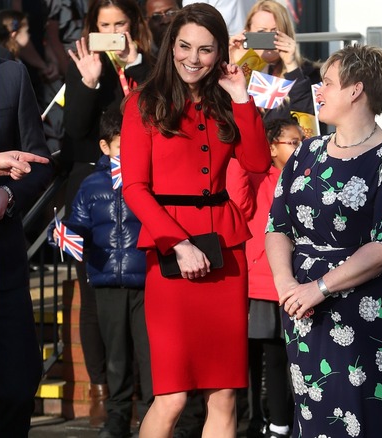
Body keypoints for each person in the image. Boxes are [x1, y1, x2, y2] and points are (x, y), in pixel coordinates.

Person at [120, 4, 271, 437]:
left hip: (227, 255)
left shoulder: (230, 101)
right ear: (171, 47)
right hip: (170, 257)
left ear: (220, 52)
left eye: (205, 49)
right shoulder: (142, 104)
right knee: (171, 397)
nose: (193, 57)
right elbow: (134, 188)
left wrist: (242, 98)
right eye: (184, 46)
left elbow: (257, 161)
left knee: (224, 394)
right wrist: (177, 244)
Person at [265, 44, 382, 438]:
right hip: (301, 310)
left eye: (328, 83)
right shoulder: (305, 153)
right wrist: (287, 285)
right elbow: (277, 226)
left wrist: (320, 288)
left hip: (362, 313)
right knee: (313, 416)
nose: (319, 91)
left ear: (356, 90)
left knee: (361, 415)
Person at [62, 0, 154, 425]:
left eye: (120, 23)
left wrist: (134, 64)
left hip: (145, 188)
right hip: (94, 189)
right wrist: (88, 82)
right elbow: (76, 132)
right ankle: (102, 391)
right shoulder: (84, 62)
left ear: (133, 26)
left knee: (143, 300)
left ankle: (149, 398)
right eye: (105, 25)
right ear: (91, 27)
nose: (113, 31)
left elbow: (156, 113)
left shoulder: (148, 64)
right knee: (96, 298)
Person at [52, 109, 152, 437]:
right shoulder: (91, 184)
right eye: (121, 147)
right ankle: (118, 419)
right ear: (105, 147)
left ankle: (154, 417)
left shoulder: (151, 179)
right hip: (106, 278)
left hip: (145, 279)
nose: (128, 154)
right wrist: (67, 233)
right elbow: (78, 222)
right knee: (116, 356)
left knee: (148, 354)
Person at [227, 118, 303, 438]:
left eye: (302, 141)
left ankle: (280, 422)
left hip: (288, 282)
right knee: (248, 357)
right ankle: (253, 419)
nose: (300, 147)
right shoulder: (257, 176)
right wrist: (246, 148)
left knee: (278, 357)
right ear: (270, 148)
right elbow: (237, 198)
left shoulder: (305, 177)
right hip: (255, 281)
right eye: (292, 142)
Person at [0, 55, 54, 437]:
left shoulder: (11, 72)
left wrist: (7, 194)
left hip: (5, 249)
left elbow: (40, 160)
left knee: (23, 375)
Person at [228, 0, 320, 123]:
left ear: (287, 34)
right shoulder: (238, 68)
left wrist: (291, 65)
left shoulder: (309, 74)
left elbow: (308, 123)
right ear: (247, 32)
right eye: (261, 32)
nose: (269, 39)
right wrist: (230, 61)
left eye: (274, 32)